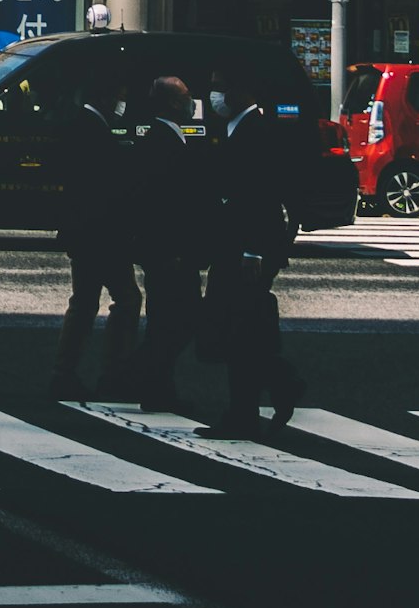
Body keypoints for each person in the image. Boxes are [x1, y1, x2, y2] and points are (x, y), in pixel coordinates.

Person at [202, 84, 310, 426]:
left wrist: (253, 251)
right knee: (244, 329)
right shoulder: (242, 129)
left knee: (238, 330)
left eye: (222, 85)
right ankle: (277, 387)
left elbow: (261, 197)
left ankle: (246, 408)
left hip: (246, 249)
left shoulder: (257, 132)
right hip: (240, 246)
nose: (215, 95)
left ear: (241, 91)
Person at [120, 76, 206, 411]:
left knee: (167, 320)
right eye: (186, 95)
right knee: (180, 320)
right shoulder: (161, 143)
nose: (192, 101)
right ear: (173, 102)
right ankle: (138, 375)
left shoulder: (163, 139)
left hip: (165, 250)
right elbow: (161, 205)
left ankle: (156, 388)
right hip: (169, 252)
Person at [51, 73, 139, 400]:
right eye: (119, 96)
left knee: (85, 302)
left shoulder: (80, 125)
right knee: (126, 299)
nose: (121, 104)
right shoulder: (93, 131)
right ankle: (113, 372)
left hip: (84, 233)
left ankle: (66, 372)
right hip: (102, 235)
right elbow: (104, 189)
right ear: (105, 98)